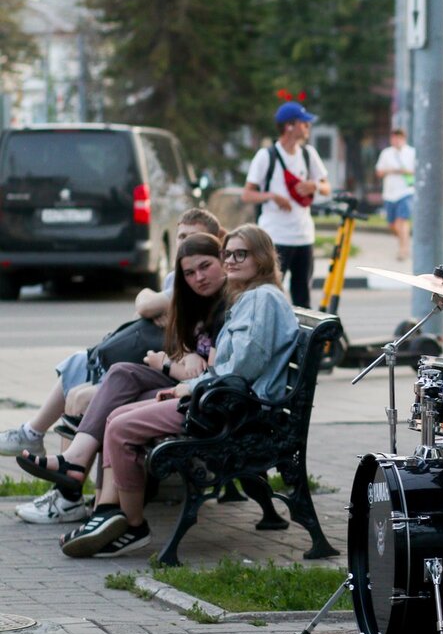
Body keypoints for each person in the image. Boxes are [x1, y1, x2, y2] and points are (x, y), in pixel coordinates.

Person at [54, 225, 299, 558]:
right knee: (116, 415)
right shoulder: (252, 298)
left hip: (231, 409)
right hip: (222, 400)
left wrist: (188, 386)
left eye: (241, 254)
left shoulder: (261, 299)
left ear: (263, 257)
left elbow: (240, 370)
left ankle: (132, 525)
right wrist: (187, 384)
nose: (231, 261)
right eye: (228, 254)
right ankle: (109, 514)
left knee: (121, 427)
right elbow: (231, 368)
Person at [14, 234, 229, 524]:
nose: (199, 277)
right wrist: (182, 354)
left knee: (103, 404)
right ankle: (76, 473)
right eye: (190, 272)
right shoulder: (195, 300)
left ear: (222, 259)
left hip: (202, 399)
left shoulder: (225, 306)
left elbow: (211, 374)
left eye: (205, 266)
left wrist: (166, 364)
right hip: (181, 385)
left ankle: (100, 508)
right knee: (118, 374)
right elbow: (146, 304)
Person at [0, 209, 222, 460]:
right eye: (181, 237)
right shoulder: (177, 278)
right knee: (78, 369)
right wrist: (159, 306)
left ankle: (59, 470)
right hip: (151, 362)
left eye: (193, 237)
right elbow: (144, 302)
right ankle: (45, 455)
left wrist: (163, 312)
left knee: (83, 396)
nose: (185, 244)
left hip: (167, 371)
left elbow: (153, 310)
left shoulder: (199, 283)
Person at [241, 101, 331, 308]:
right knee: (271, 293)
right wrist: (272, 196)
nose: (308, 127)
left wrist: (314, 185)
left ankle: (302, 339)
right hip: (275, 236)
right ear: (290, 126)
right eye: (304, 123)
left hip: (303, 236)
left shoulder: (308, 154)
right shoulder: (266, 156)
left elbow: (327, 187)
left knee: (302, 296)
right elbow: (247, 194)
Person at [375, 128, 416, 260]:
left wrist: (403, 171)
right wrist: (391, 170)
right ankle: (404, 242)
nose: (396, 141)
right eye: (394, 138)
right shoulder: (386, 153)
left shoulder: (411, 152)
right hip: (389, 193)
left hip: (405, 192)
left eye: (399, 138)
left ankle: (403, 250)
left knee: (401, 221)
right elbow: (379, 172)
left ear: (403, 139)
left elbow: (416, 171)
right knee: (392, 225)